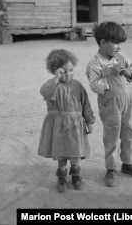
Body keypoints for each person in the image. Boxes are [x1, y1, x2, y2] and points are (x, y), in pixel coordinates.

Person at [86, 21, 132, 187]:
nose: (119, 47)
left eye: (120, 43)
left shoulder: (121, 57)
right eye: (116, 43)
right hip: (109, 103)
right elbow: (94, 85)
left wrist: (128, 73)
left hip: (127, 101)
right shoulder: (95, 63)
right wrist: (109, 76)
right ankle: (111, 168)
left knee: (129, 131)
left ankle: (128, 163)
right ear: (103, 42)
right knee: (112, 135)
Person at [38, 49, 95, 193]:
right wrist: (55, 80)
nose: (68, 74)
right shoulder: (52, 86)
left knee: (75, 154)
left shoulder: (78, 85)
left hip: (75, 126)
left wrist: (89, 121)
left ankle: (76, 175)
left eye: (70, 70)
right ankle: (61, 178)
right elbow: (44, 92)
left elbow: (85, 104)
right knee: (62, 153)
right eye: (63, 72)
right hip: (58, 127)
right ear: (55, 71)